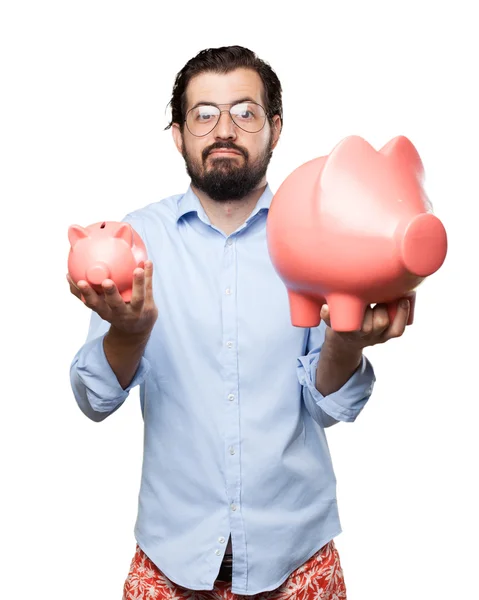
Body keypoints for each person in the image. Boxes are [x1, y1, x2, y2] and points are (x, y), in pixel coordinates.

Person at [68, 45, 410, 599]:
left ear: (275, 128)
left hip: (298, 562)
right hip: (171, 560)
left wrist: (345, 341)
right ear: (178, 135)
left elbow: (328, 407)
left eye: (245, 112)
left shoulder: (318, 236)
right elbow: (95, 400)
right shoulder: (138, 241)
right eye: (204, 114)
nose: (224, 129)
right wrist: (126, 334)